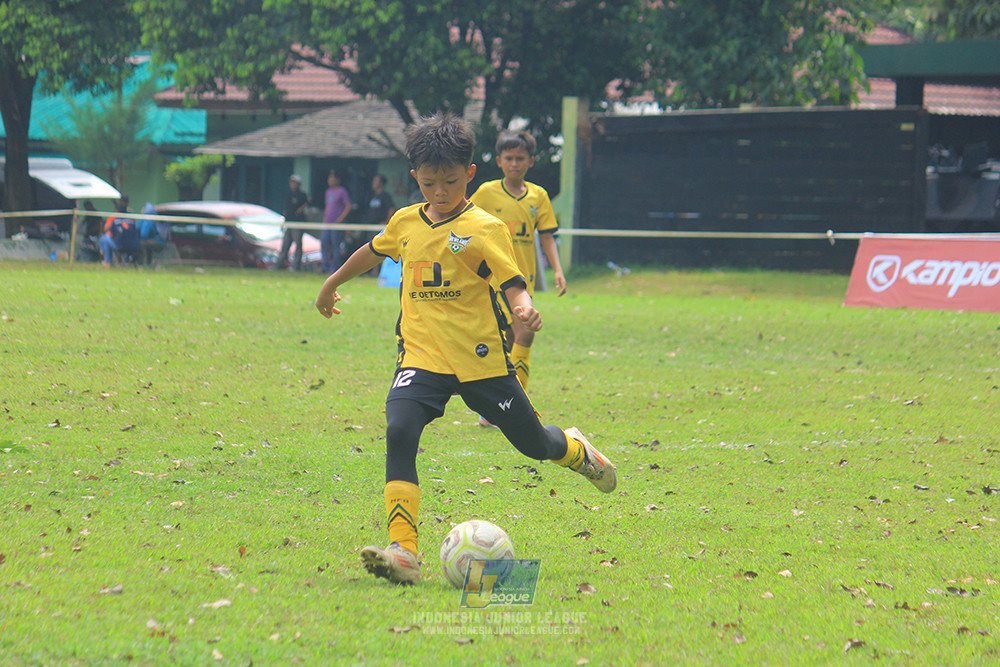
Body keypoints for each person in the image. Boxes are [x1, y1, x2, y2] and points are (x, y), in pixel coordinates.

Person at [314, 112, 617, 585]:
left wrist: (524, 308)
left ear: (470, 174)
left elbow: (514, 282)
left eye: (450, 181)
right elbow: (372, 251)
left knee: (533, 444)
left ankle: (576, 450)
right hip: (421, 357)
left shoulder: (484, 227)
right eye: (429, 182)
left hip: (481, 361)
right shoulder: (404, 222)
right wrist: (331, 282)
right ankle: (404, 551)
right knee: (399, 429)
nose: (439, 191)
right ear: (415, 177)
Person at [471, 131, 566, 419]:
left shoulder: (539, 196)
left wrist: (558, 270)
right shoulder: (486, 192)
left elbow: (547, 237)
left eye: (520, 158)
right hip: (495, 279)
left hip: (525, 281)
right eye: (509, 158)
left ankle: (495, 408)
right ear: (499, 161)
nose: (515, 163)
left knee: (511, 341)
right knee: (525, 333)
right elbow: (467, 222)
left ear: (531, 161)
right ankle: (515, 409)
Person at [320, 169, 352, 273]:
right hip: (327, 223)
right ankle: (325, 266)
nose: (330, 180)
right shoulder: (327, 192)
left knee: (336, 245)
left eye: (333, 178)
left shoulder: (342, 191)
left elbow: (348, 206)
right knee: (324, 243)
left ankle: (335, 267)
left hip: (336, 223)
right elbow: (327, 206)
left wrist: (340, 219)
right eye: (329, 178)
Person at [276, 174, 311, 271]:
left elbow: (308, 203)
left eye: (294, 183)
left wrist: (300, 210)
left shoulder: (302, 195)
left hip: (297, 224)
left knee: (298, 246)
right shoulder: (289, 195)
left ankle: (296, 266)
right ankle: (279, 265)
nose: (292, 185)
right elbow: (286, 209)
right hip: (289, 224)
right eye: (291, 182)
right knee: (285, 246)